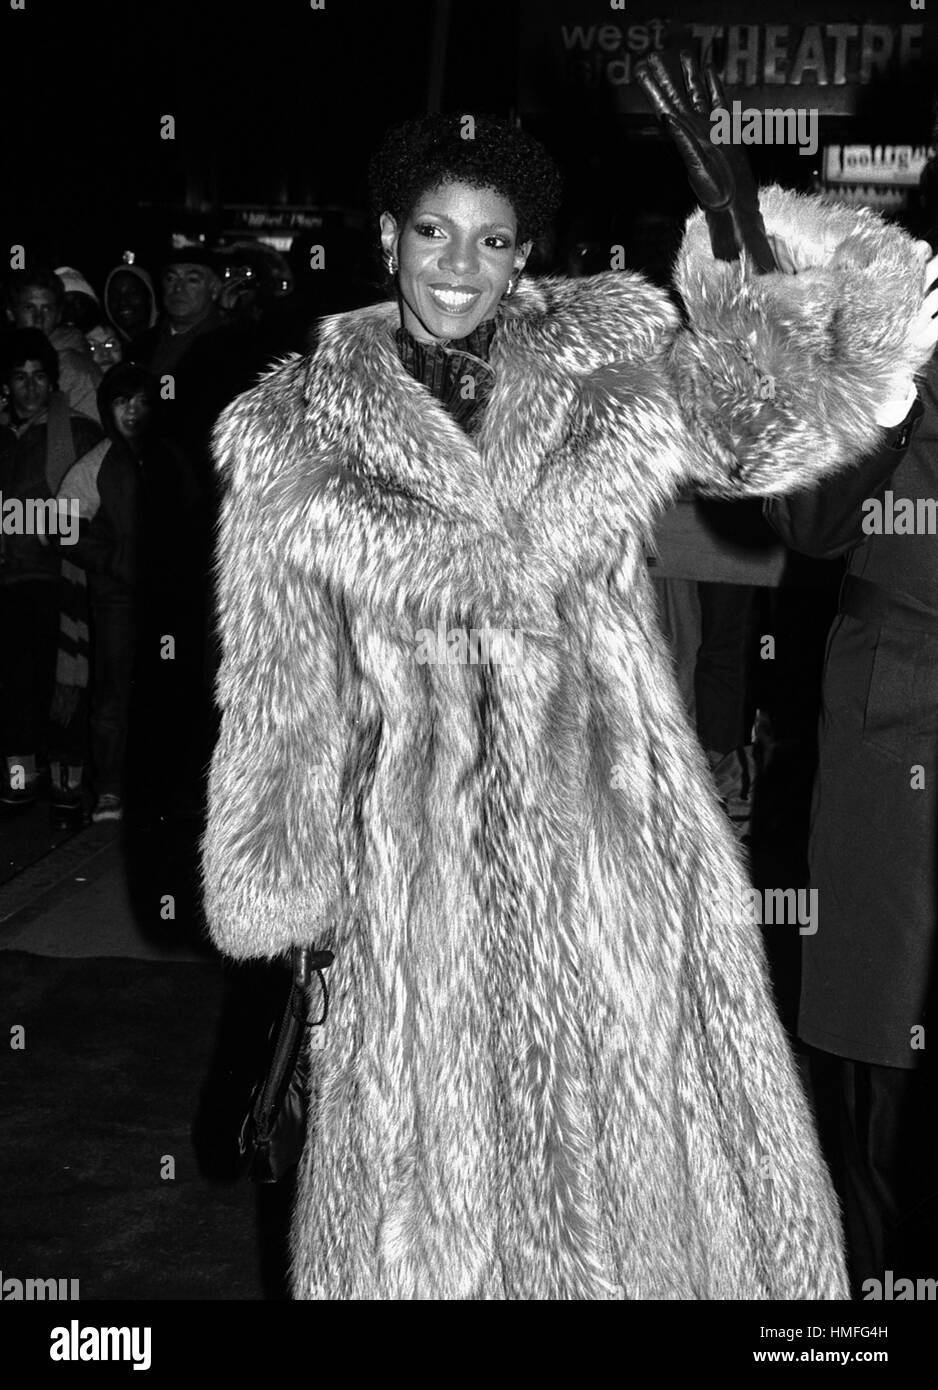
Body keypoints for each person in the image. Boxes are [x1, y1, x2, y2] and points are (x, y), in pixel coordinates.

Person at [201, 106, 935, 1301]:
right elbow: (278, 690)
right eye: (433, 231)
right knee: (434, 1218)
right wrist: (294, 913)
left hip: (617, 855)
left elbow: (776, 440)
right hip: (416, 878)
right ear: (387, 234)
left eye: (492, 241)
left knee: (640, 1203)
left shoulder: (604, 368)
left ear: (523, 253)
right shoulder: (291, 436)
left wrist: (742, 223)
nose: (458, 264)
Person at [764, 279, 938, 1294]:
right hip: (904, 714)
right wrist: (888, 380)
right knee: (884, 1042)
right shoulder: (883, 311)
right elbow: (808, 520)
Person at [55, 364, 203, 822]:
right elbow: (61, 524)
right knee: (114, 695)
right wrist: (114, 560)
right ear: (107, 409)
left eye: (141, 400)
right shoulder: (96, 464)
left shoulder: (175, 456)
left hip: (170, 599)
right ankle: (112, 791)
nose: (133, 411)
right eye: (122, 402)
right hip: (118, 600)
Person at [0, 329, 102, 810]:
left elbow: (91, 509)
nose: (30, 386)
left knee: (62, 684)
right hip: (8, 578)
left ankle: (67, 780)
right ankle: (20, 777)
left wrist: (28, 520)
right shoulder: (3, 433)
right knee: (12, 690)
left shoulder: (77, 432)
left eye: (39, 375)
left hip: (57, 579)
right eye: (19, 377)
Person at [4, 268, 102, 422]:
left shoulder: (77, 370)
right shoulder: (7, 360)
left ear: (58, 315)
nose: (38, 318)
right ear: (10, 312)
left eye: (47, 309)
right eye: (29, 308)